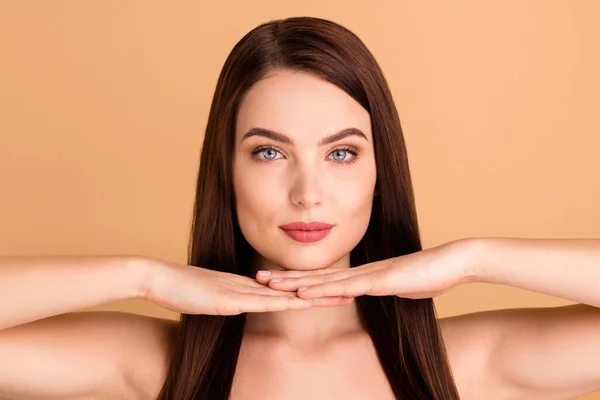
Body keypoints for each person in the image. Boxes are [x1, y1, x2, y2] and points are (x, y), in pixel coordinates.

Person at [0, 15, 599, 400]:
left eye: (341, 154)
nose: (307, 191)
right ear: (225, 172)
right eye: (268, 153)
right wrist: (143, 276)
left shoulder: (458, 365)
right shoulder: (156, 364)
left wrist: (472, 259)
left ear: (379, 173)